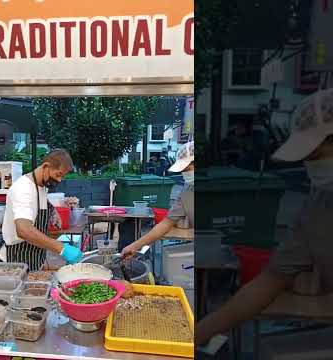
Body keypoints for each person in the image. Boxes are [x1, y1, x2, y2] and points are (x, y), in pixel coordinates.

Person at [196, 88, 333, 345]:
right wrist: (202, 332)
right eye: (308, 159)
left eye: (316, 155)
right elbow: (270, 280)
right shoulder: (319, 204)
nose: (312, 166)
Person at [0, 149, 83, 270]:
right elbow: (24, 230)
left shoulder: (41, 186)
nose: (59, 180)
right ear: (46, 166)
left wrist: (53, 211)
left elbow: (40, 201)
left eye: (62, 176)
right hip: (16, 261)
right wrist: (61, 248)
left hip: (35, 257)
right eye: (58, 174)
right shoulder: (23, 189)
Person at [121, 141, 194, 260]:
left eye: (187, 169)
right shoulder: (187, 190)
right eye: (183, 170)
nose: (185, 174)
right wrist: (134, 246)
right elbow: (166, 223)